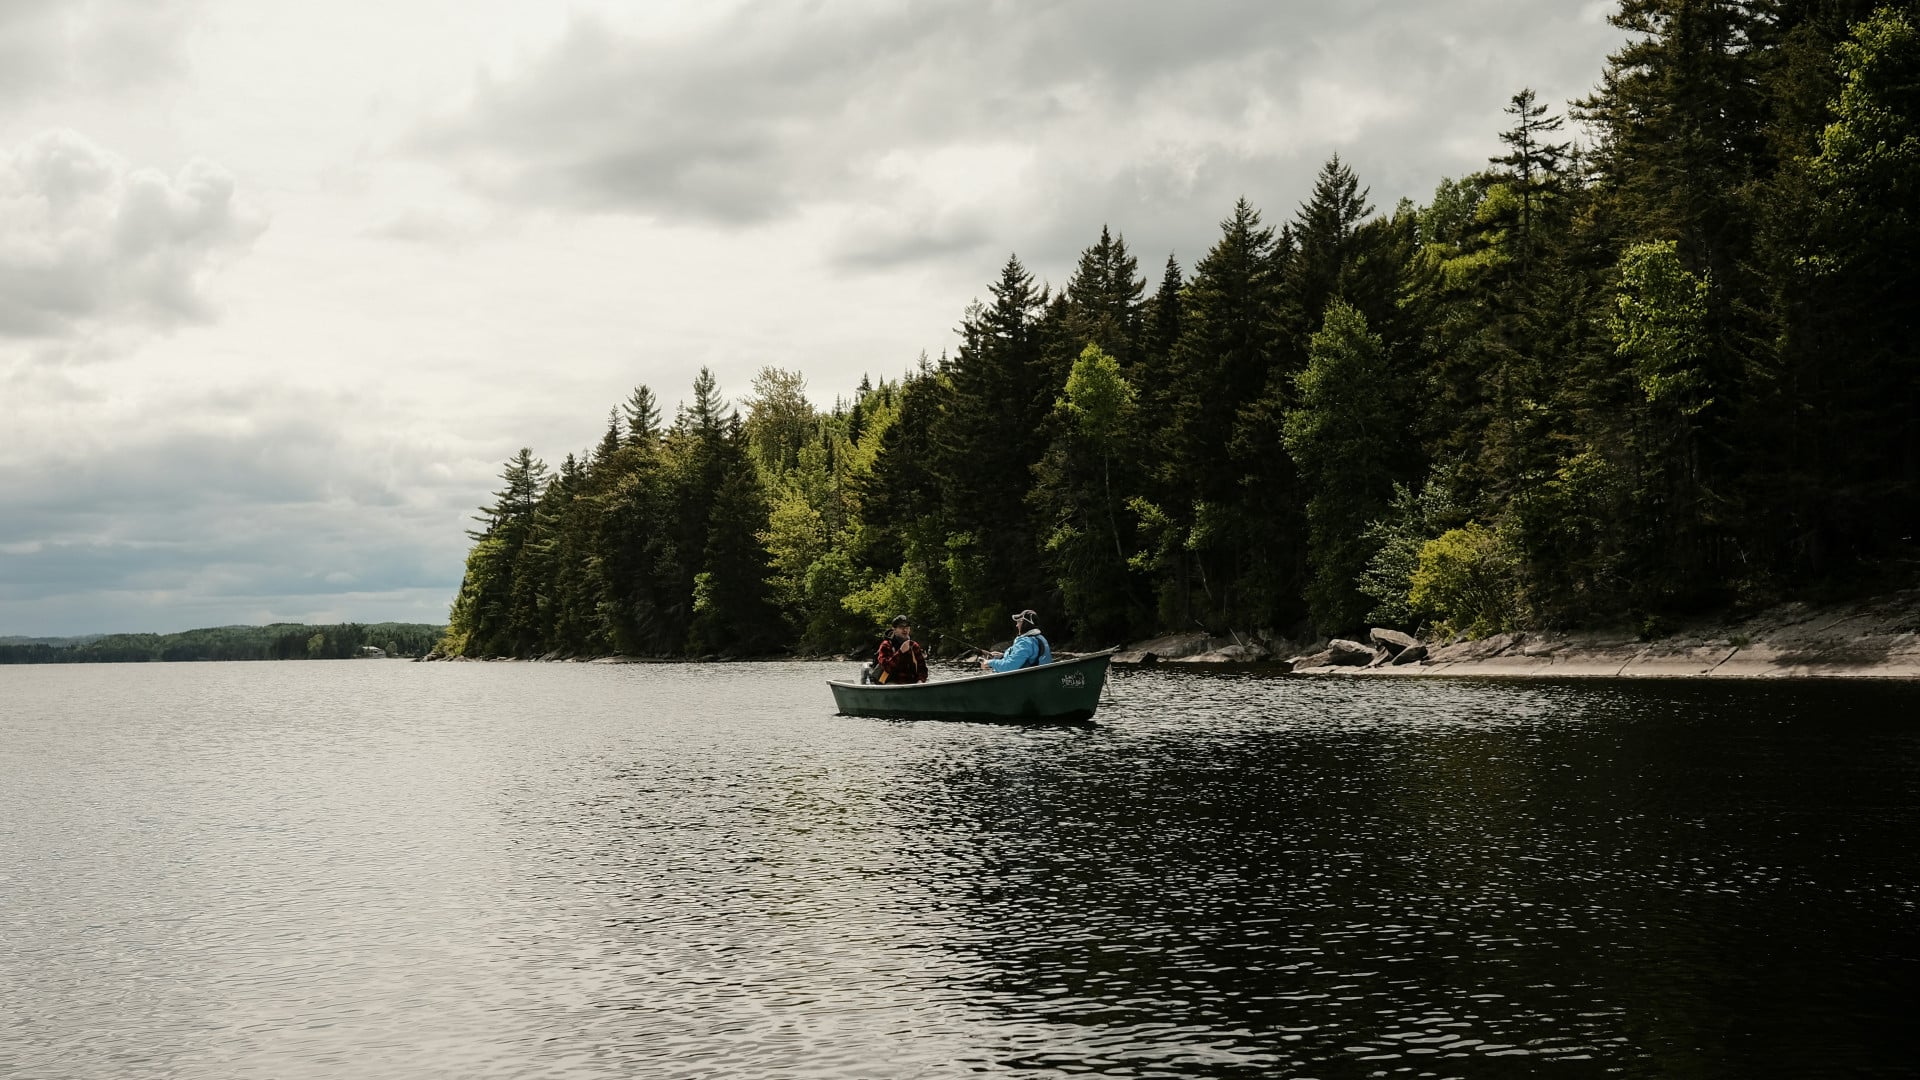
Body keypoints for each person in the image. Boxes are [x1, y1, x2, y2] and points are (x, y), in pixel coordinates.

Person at [979, 609, 1052, 672]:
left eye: (1019, 622)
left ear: (1025, 624)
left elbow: (1008, 667)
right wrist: (1003, 655)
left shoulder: (1025, 642)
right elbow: (1021, 655)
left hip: (1028, 681)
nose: (1016, 625)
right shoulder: (1040, 638)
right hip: (1038, 678)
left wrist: (989, 662)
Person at [872, 615, 929, 684]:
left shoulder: (914, 646)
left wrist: (920, 680)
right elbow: (887, 668)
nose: (905, 630)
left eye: (907, 627)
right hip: (890, 683)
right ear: (894, 629)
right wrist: (901, 652)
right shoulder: (886, 645)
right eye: (901, 627)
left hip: (912, 684)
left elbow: (922, 669)